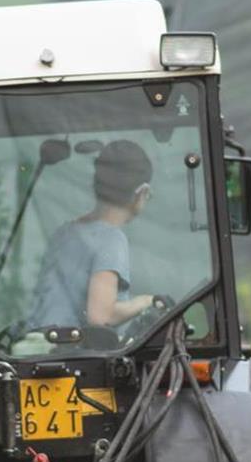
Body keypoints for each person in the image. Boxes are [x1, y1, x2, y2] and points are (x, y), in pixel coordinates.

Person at [23, 140, 160, 332]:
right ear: (142, 192)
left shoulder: (64, 232)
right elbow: (101, 316)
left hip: (37, 346)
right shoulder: (111, 239)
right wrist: (146, 301)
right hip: (70, 353)